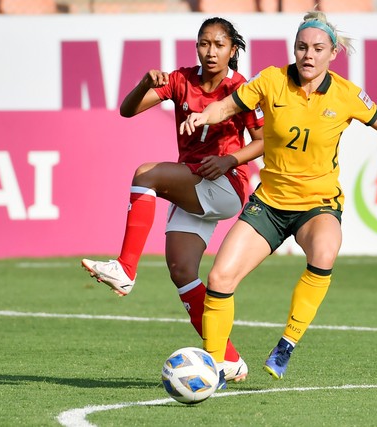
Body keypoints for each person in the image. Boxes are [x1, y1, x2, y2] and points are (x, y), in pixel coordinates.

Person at [180, 11, 377, 384]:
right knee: (220, 277)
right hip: (269, 203)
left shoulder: (346, 94)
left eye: (318, 48)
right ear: (294, 49)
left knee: (324, 252)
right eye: (302, 47)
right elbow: (229, 105)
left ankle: (287, 343)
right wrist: (205, 116)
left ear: (332, 53)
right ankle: (215, 366)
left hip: (318, 205)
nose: (308, 55)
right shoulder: (271, 80)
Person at [81, 17, 264, 383]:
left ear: (233, 50)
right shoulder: (181, 79)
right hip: (194, 185)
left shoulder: (242, 89)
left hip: (225, 183)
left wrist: (229, 159)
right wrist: (144, 83)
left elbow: (265, 142)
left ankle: (126, 268)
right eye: (203, 43)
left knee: (146, 174)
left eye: (218, 44)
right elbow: (127, 110)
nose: (210, 51)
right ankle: (229, 359)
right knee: (182, 272)